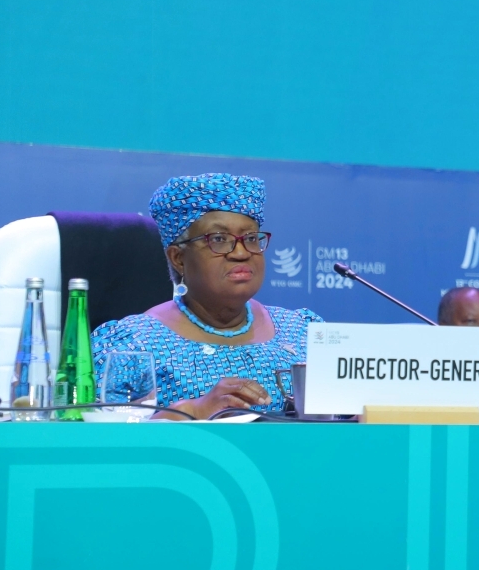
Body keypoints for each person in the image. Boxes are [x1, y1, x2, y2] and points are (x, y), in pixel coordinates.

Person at [91, 173, 322, 418]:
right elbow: (98, 433)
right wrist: (190, 411)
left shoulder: (302, 332)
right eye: (219, 239)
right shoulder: (133, 345)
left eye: (251, 238)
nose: (241, 253)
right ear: (178, 258)